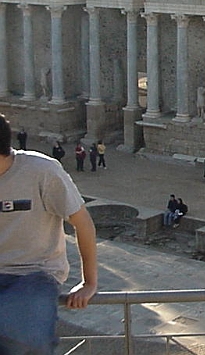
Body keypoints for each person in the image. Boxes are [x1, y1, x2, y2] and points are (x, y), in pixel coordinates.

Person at [0, 112, 98, 353]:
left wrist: (89, 282)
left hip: (34, 272)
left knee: (23, 334)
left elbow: (83, 222)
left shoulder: (42, 170)